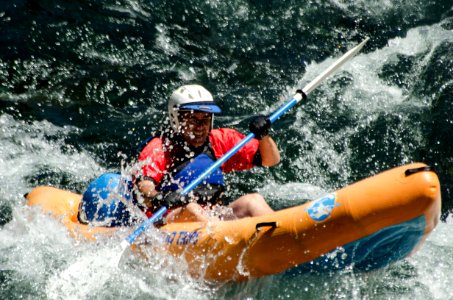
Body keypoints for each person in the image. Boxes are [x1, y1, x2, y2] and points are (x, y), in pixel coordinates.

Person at [134, 84, 280, 223]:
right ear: (176, 119)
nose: (200, 126)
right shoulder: (160, 147)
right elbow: (144, 187)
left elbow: (271, 160)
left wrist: (263, 136)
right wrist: (160, 197)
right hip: (170, 221)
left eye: (205, 119)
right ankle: (227, 238)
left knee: (253, 201)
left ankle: (286, 234)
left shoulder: (220, 140)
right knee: (193, 209)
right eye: (192, 119)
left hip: (213, 215)